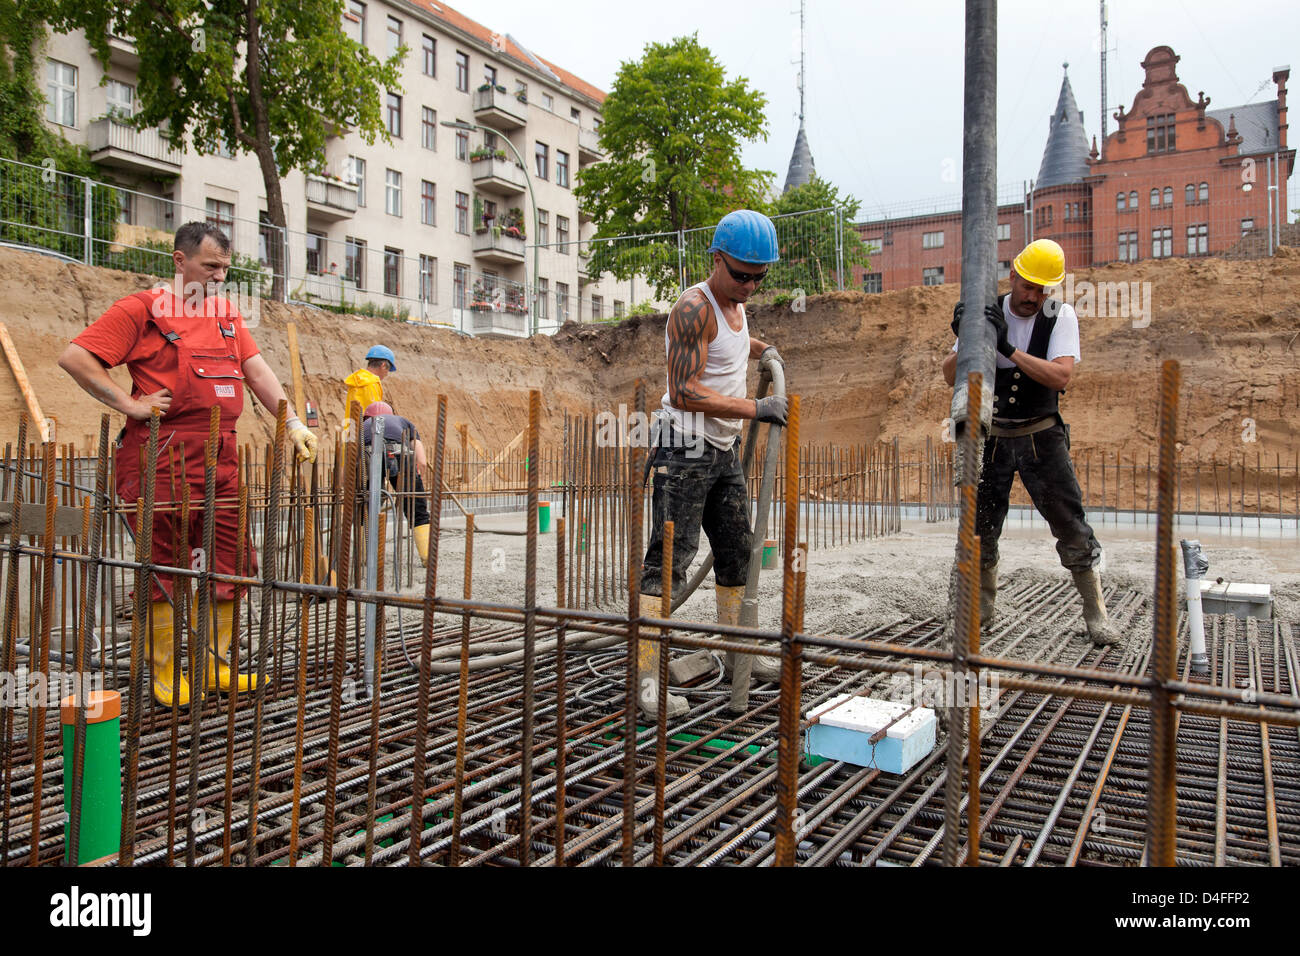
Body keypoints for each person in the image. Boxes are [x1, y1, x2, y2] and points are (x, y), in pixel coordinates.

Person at [58, 221, 318, 707]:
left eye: (226, 267)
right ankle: (163, 674)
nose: (220, 276)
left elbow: (256, 371)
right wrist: (129, 403)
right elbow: (75, 357)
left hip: (221, 457)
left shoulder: (226, 314)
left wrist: (293, 423)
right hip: (161, 457)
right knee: (162, 566)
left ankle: (216, 667)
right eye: (210, 266)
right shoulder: (141, 310)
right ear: (180, 261)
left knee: (231, 562)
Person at [637, 209, 789, 719]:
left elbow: (729, 347)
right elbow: (684, 390)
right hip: (683, 449)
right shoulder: (692, 309)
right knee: (668, 562)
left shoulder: (735, 306)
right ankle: (646, 681)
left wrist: (762, 351)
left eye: (758, 277)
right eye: (741, 274)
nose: (749, 285)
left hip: (722, 451)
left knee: (735, 551)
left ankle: (738, 655)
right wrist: (756, 408)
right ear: (717, 260)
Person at [942, 238, 1118, 645]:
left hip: (1042, 436)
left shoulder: (1061, 316)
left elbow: (1060, 376)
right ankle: (983, 609)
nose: (1034, 297)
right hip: (995, 437)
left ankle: (1095, 611)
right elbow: (949, 375)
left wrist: (1008, 348)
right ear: (1014, 275)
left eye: (1043, 290)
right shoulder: (990, 311)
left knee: (1070, 525)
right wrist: (967, 337)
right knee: (980, 529)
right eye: (1028, 287)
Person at [361, 402, 431, 566]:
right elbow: (422, 460)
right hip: (399, 451)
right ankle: (427, 557)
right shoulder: (403, 421)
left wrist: (349, 484)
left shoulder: (359, 427)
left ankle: (367, 556)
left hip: (368, 452)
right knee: (416, 507)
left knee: (367, 505)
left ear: (367, 417)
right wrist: (414, 481)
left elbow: (348, 459)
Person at [345, 345, 396, 420]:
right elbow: (375, 416)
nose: (387, 374)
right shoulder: (372, 384)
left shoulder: (356, 381)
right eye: (387, 370)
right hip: (365, 430)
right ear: (383, 365)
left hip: (351, 429)